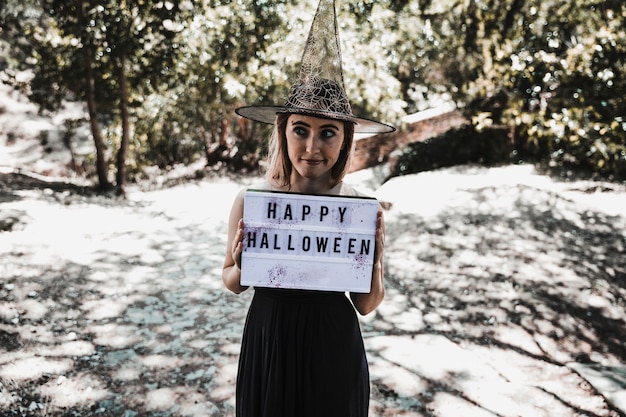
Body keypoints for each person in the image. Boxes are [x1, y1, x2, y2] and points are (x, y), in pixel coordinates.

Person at [221, 1, 395, 416]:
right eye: (301, 130)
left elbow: (367, 304)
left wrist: (375, 261)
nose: (312, 147)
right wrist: (244, 261)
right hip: (271, 338)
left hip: (333, 343)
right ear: (284, 131)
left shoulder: (357, 208)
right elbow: (231, 282)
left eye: (327, 133)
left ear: (345, 139)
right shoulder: (253, 200)